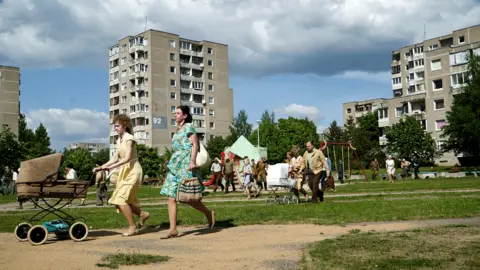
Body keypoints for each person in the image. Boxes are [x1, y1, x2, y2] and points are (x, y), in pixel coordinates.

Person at [160, 106, 215, 238]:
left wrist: (192, 161)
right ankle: (173, 229)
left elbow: (195, 144)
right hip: (175, 166)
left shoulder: (189, 127)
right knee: (171, 197)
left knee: (189, 198)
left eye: (178, 113)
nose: (175, 115)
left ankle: (208, 213)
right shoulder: (178, 130)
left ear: (184, 116)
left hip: (186, 165)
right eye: (175, 113)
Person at [96, 114, 149, 236]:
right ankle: (142, 214)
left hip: (133, 171)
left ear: (124, 126)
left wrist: (110, 167)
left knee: (120, 199)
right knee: (120, 200)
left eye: (117, 126)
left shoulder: (129, 138)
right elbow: (115, 158)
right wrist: (102, 167)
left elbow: (127, 158)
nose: (115, 128)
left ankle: (132, 227)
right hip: (125, 172)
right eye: (114, 126)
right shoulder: (119, 140)